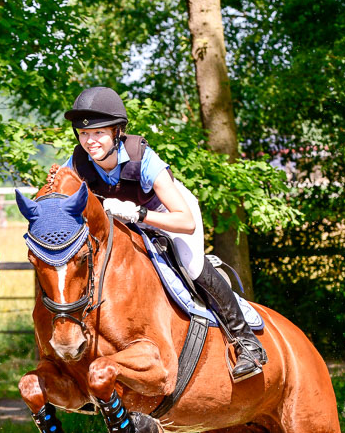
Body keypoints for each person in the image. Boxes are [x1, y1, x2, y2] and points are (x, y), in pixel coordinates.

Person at [63, 86, 267, 382]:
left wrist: (139, 213)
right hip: (124, 224)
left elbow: (185, 222)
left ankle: (247, 343)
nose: (89, 141)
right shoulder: (78, 164)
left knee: (193, 267)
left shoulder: (143, 159)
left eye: (98, 133)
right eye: (84, 135)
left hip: (167, 215)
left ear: (117, 131)